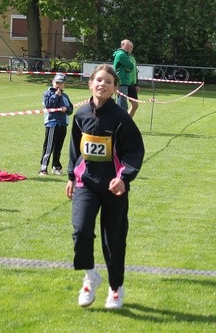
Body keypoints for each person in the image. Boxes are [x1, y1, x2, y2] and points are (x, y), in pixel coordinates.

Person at [66, 64, 144, 310]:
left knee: (114, 240)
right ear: (91, 83)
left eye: (108, 82)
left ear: (115, 88)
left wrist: (124, 178)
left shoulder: (121, 118)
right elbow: (75, 148)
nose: (102, 84)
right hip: (86, 184)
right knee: (81, 231)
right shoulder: (80, 115)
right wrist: (71, 177)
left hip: (114, 187)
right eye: (99, 80)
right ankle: (90, 277)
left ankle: (115, 288)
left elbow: (134, 151)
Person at [39, 73, 74, 176]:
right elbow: (48, 105)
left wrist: (66, 109)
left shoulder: (65, 96)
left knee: (58, 147)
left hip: (63, 124)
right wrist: (56, 96)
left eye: (61, 83)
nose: (58, 85)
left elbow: (70, 109)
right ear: (53, 82)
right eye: (57, 83)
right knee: (48, 147)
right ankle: (43, 168)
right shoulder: (47, 93)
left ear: (64, 85)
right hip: (52, 123)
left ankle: (56, 167)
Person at [112, 39, 139, 117]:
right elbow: (130, 67)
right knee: (122, 106)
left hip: (131, 84)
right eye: (127, 46)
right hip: (122, 82)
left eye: (131, 46)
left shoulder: (131, 57)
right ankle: (121, 122)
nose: (129, 48)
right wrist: (129, 68)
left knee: (135, 105)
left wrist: (136, 84)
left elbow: (134, 71)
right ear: (122, 46)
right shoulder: (121, 55)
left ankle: (127, 121)